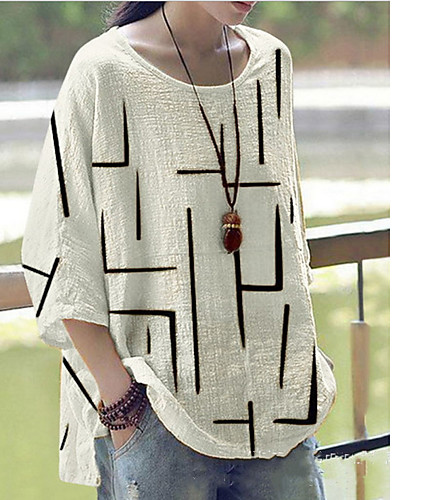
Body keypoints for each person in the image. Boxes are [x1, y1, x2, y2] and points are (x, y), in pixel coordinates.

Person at [21, 1, 337, 499]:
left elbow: (285, 234)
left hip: (278, 413)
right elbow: (61, 249)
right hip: (156, 414)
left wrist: (300, 366)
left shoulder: (272, 63)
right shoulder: (103, 71)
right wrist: (122, 403)